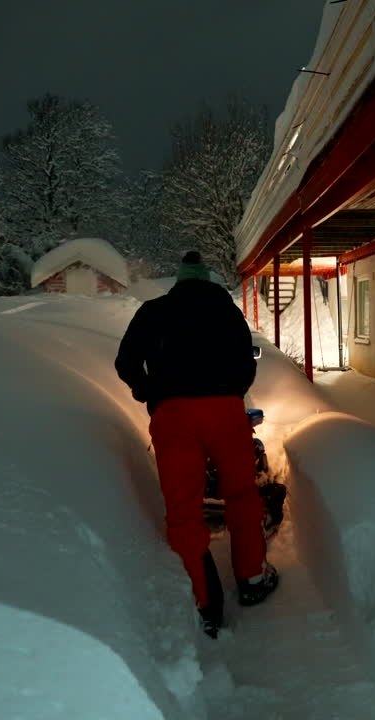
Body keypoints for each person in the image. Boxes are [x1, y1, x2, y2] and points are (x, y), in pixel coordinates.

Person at [115, 251, 279, 638]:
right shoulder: (226, 312)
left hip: (173, 416)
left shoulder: (154, 311)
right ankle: (252, 578)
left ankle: (204, 604)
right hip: (224, 410)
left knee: (183, 508)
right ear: (205, 281)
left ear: (179, 282)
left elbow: (126, 362)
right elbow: (247, 362)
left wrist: (149, 391)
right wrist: (232, 393)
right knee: (240, 493)